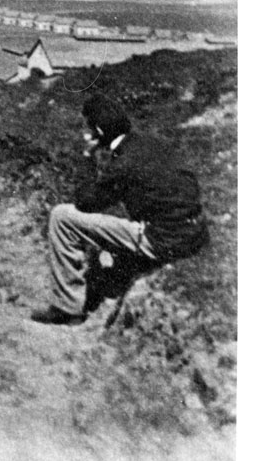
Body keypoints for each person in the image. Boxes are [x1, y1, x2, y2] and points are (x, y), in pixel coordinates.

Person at [31, 92, 208, 326]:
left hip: (163, 239)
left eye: (89, 127)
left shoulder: (123, 163)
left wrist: (87, 156)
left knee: (61, 217)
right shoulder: (154, 143)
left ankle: (67, 308)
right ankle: (117, 271)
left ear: (99, 132)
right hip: (195, 233)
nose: (87, 132)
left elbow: (85, 203)